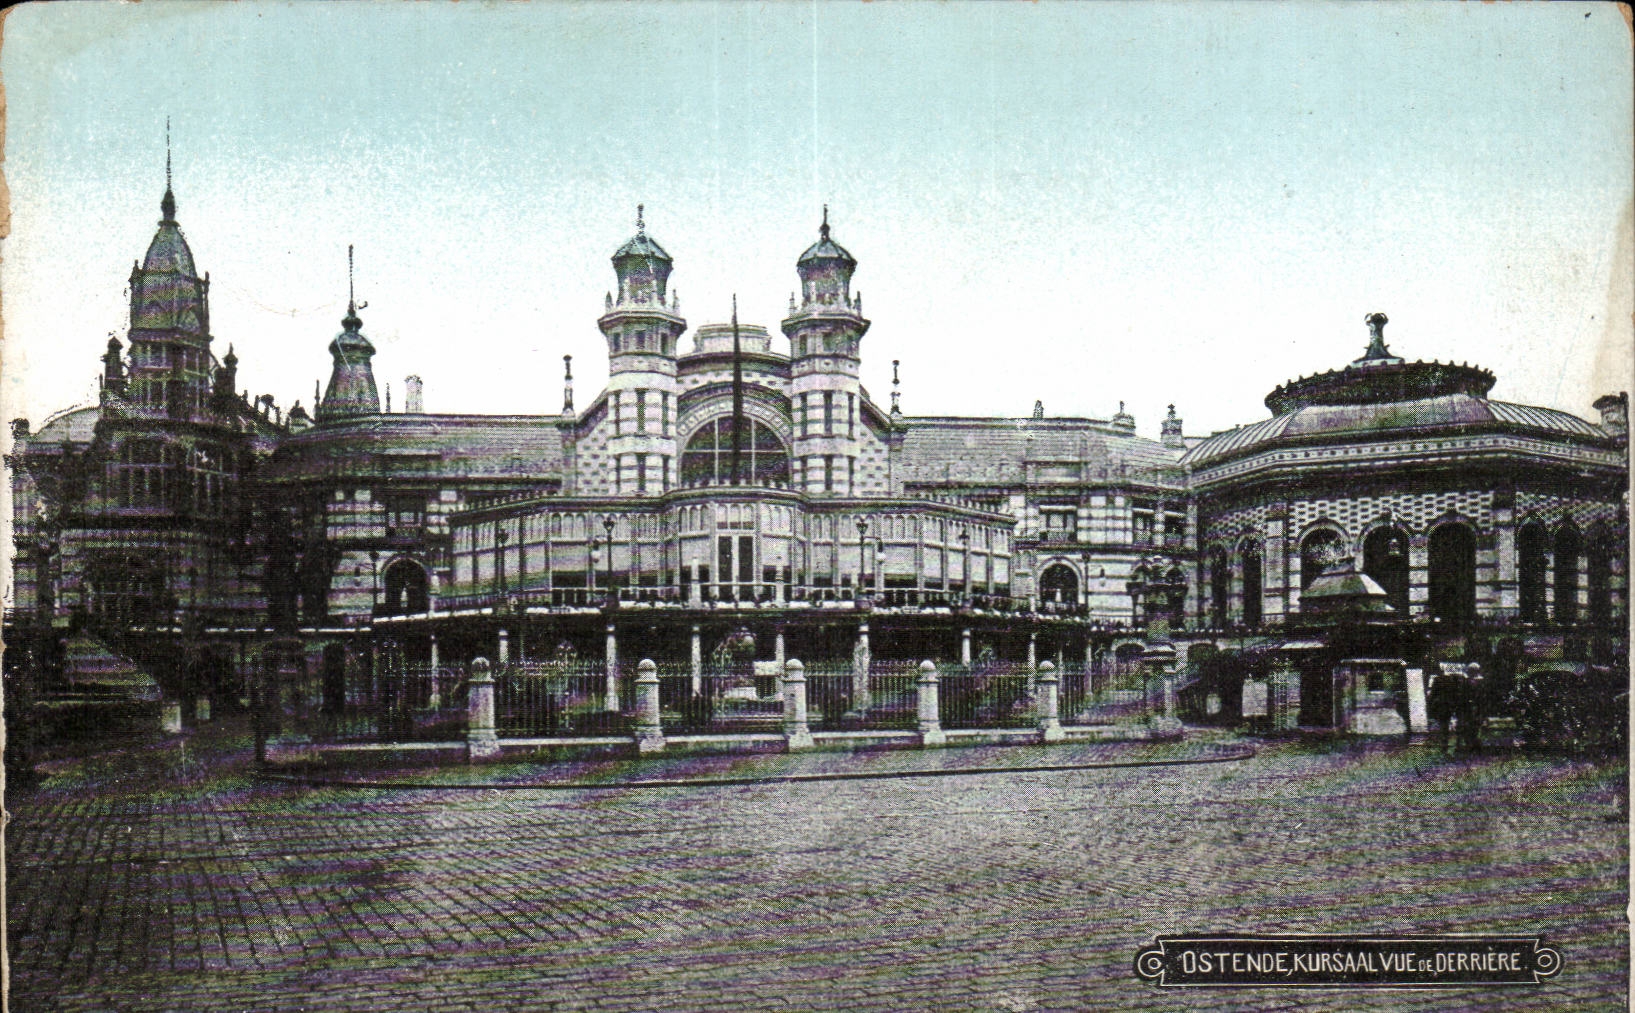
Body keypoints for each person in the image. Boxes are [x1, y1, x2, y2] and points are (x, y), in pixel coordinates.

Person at [1426, 668, 1462, 757]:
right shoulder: (1453, 679)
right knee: (1457, 725)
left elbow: (1433, 694)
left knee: (1443, 727)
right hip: (1452, 705)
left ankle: (1444, 746)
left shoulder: (1437, 680)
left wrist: (1430, 706)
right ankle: (1456, 745)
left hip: (1442, 707)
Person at [1458, 663, 1488, 755]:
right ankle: (1474, 746)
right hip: (1473, 708)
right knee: (1473, 727)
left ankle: (1472, 746)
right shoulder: (1480, 682)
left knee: (1472, 727)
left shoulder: (1466, 682)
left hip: (1472, 708)